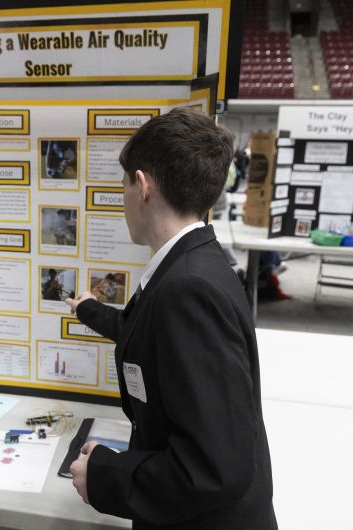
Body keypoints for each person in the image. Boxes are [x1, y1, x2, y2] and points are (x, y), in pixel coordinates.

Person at [65, 108, 277, 529]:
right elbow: (149, 334)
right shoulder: (191, 266)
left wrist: (106, 476)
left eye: (124, 184)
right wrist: (87, 309)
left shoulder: (188, 289)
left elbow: (213, 468)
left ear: (142, 185)